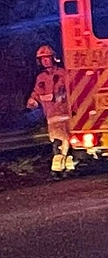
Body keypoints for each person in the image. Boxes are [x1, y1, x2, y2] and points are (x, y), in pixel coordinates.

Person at [27, 45, 75, 179]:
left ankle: (62, 169)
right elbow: (37, 93)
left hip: (66, 115)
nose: (45, 61)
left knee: (66, 143)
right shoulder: (41, 78)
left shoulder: (63, 74)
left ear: (53, 58)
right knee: (59, 142)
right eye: (42, 59)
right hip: (52, 116)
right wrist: (32, 101)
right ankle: (62, 169)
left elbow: (73, 89)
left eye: (47, 58)